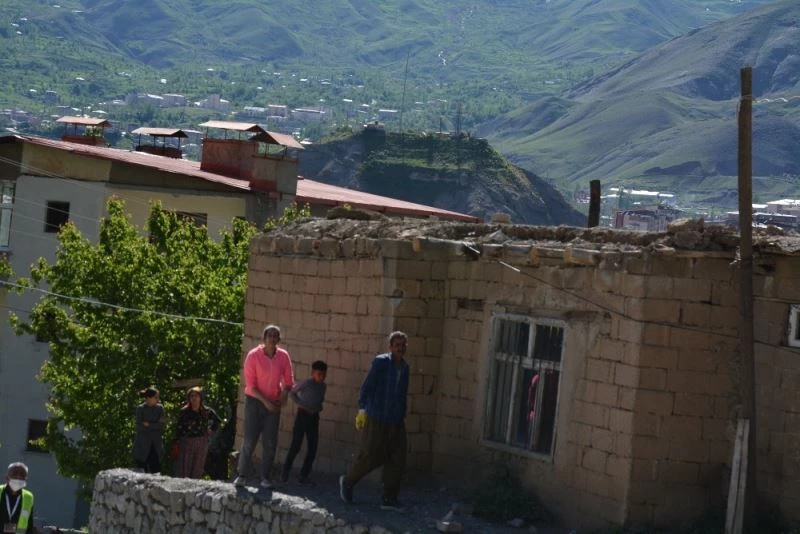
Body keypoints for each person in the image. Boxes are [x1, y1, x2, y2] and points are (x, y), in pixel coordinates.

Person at [339, 331, 409, 511]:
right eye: (397, 345)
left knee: (398, 457)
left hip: (396, 420)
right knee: (370, 454)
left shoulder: (405, 367)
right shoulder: (381, 362)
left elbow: (402, 394)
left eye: (403, 345)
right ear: (390, 347)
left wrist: (402, 415)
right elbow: (368, 386)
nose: (400, 348)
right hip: (377, 416)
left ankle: (389, 497)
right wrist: (362, 409)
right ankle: (348, 482)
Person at [234, 324, 294, 489]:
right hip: (255, 401)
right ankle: (242, 475)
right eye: (270, 336)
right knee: (250, 440)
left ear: (279, 339)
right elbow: (251, 385)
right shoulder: (253, 356)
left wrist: (282, 397)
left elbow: (288, 380)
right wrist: (266, 402)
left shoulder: (283, 356)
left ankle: (265, 477)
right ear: (264, 338)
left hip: (273, 402)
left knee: (270, 442)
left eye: (276, 336)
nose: (273, 339)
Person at [281, 360, 328, 484]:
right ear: (312, 373)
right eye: (319, 374)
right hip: (302, 416)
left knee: (313, 447)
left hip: (314, 418)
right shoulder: (306, 383)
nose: (322, 377)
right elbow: (292, 392)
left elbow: (320, 400)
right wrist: (302, 404)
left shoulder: (323, 386)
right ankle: (285, 470)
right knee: (296, 445)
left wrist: (318, 407)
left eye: (324, 375)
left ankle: (304, 474)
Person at [174, 386, 222, 479]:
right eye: (192, 396)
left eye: (196, 396)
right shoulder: (184, 411)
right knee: (185, 467)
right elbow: (178, 428)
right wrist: (177, 442)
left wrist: (211, 429)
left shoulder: (206, 411)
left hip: (201, 442)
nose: (194, 398)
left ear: (200, 397)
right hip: (187, 442)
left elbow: (217, 421)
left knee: (198, 466)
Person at [132, 386, 166, 474]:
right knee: (141, 471)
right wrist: (155, 425)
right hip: (143, 444)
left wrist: (149, 424)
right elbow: (140, 427)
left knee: (156, 471)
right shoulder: (140, 409)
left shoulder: (160, 408)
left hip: (155, 444)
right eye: (155, 397)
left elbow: (161, 426)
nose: (157, 399)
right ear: (148, 398)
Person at [0, 462, 36, 534]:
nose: (18, 477)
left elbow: (29, 525)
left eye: (22, 475)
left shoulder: (28, 497)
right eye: (14, 474)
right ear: (7, 477)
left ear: (26, 479)